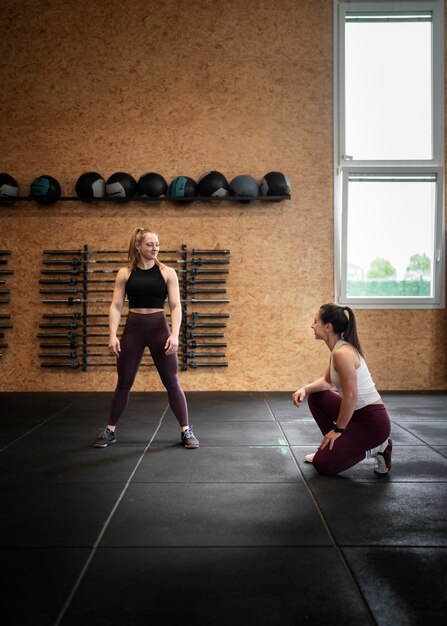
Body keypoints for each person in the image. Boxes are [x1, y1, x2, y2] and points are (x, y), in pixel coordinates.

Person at [92, 227, 199, 449]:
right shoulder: (125, 273)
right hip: (133, 330)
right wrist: (112, 335)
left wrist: (175, 335)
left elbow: (176, 306)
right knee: (124, 382)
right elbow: (116, 305)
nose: (155, 248)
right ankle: (109, 430)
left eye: (157, 244)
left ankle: (186, 430)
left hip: (160, 329)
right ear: (138, 246)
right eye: (150, 244)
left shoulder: (167, 272)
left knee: (172, 381)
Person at [292, 303, 391, 475]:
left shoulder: (342, 354)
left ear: (328, 327)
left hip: (372, 423)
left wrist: (338, 429)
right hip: (356, 415)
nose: (312, 325)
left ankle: (378, 448)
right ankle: (331, 447)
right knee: (316, 397)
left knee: (322, 465)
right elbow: (326, 382)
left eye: (315, 321)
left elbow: (351, 397)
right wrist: (304, 390)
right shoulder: (338, 350)